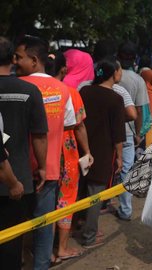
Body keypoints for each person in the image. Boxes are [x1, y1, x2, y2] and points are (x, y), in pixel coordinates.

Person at [15, 35, 77, 269]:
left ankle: (17, 261)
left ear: (33, 59)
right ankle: (40, 265)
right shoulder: (63, 90)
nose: (15, 61)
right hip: (49, 169)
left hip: (17, 168)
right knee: (43, 225)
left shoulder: (18, 86)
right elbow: (70, 123)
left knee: (14, 223)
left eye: (19, 57)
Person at [0, 37, 48, 270]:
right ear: (13, 59)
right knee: (11, 242)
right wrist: (42, 167)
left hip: (10, 176)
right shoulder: (29, 91)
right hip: (16, 180)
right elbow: (39, 135)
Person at [46, 52, 93, 260]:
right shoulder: (71, 93)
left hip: (41, 154)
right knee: (65, 199)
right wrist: (87, 152)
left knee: (43, 203)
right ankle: (61, 248)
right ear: (63, 69)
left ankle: (43, 251)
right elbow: (80, 126)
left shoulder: (33, 89)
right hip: (67, 153)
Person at [79, 58, 125, 248]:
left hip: (81, 149)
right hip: (103, 152)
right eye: (120, 70)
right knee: (95, 195)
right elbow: (118, 135)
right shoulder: (115, 99)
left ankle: (79, 228)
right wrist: (120, 157)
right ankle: (89, 236)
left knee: (80, 192)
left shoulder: (85, 91)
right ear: (114, 73)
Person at [116, 41, 149, 221]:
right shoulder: (138, 80)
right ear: (134, 59)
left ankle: (100, 205)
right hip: (127, 132)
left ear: (118, 56)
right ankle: (126, 209)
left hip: (107, 131)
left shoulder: (109, 74)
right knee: (126, 170)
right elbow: (138, 110)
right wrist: (138, 133)